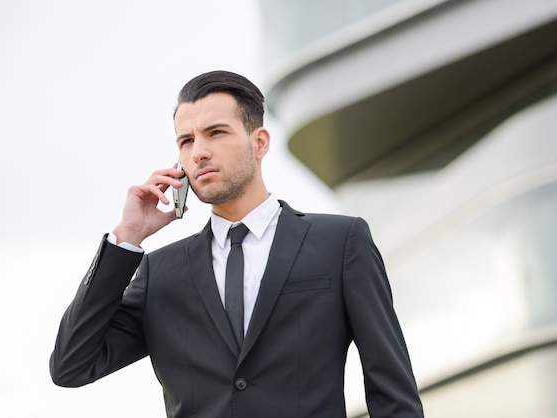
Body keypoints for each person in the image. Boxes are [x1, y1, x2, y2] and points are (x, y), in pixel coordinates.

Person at [49, 70, 424, 417]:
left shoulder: (340, 243)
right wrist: (126, 239)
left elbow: (393, 393)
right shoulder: (160, 273)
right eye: (186, 140)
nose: (198, 152)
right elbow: (72, 365)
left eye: (216, 132)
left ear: (259, 142)